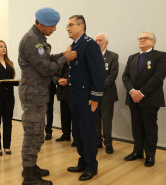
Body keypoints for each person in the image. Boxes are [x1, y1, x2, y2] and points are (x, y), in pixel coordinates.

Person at [18, 7, 77, 185]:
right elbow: (46, 68)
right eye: (53, 26)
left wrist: (62, 55)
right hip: (33, 94)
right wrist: (65, 59)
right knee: (33, 133)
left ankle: (30, 166)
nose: (56, 29)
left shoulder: (38, 38)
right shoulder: (32, 40)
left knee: (36, 132)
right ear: (41, 24)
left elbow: (46, 59)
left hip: (37, 93)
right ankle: (29, 176)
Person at [66, 15, 105, 181]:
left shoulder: (89, 44)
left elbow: (98, 72)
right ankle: (82, 161)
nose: (67, 28)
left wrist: (95, 97)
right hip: (75, 96)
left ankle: (91, 166)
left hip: (87, 98)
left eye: (70, 25)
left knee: (88, 133)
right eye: (67, 26)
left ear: (81, 26)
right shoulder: (75, 45)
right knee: (78, 133)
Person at [122, 31, 166, 167]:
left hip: (150, 99)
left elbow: (158, 77)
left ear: (153, 42)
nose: (141, 40)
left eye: (145, 38)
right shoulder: (132, 57)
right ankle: (137, 152)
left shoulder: (160, 56)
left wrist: (140, 93)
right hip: (133, 98)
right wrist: (132, 91)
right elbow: (125, 76)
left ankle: (150, 155)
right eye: (140, 38)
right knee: (136, 127)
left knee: (150, 128)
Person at [95, 33, 119, 154]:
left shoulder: (113, 56)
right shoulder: (91, 56)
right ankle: (97, 141)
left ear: (106, 43)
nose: (98, 42)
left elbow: (112, 75)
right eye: (96, 40)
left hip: (107, 94)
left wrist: (99, 87)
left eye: (100, 40)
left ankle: (108, 143)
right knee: (96, 120)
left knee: (106, 120)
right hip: (93, 94)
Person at [52, 60, 75, 146]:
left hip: (73, 94)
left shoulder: (78, 63)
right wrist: (58, 80)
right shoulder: (61, 64)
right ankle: (66, 134)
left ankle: (76, 138)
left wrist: (68, 81)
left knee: (75, 117)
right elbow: (53, 75)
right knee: (64, 116)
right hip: (62, 93)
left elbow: (80, 77)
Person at [45, 43, 56, 140]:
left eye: (48, 49)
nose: (46, 51)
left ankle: (48, 131)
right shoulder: (38, 60)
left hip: (50, 89)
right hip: (38, 89)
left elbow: (55, 74)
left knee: (49, 111)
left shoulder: (53, 61)